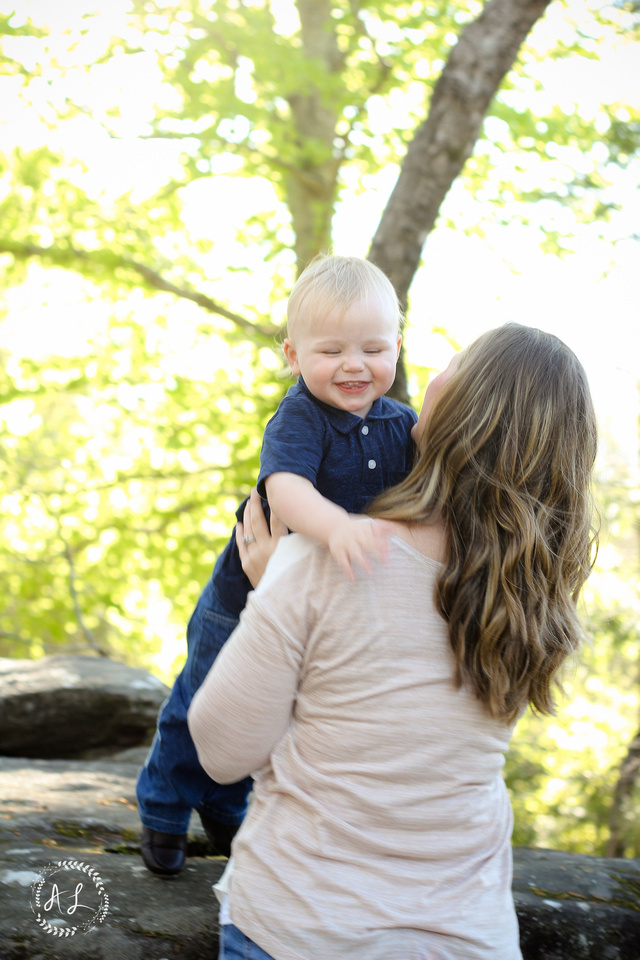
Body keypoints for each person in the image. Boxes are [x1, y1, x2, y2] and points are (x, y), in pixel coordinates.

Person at [188, 322, 598, 960]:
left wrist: (274, 591)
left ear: (465, 407)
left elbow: (220, 752)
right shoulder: (529, 600)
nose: (432, 374)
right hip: (467, 938)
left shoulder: (324, 560)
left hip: (302, 929)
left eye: (454, 361)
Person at [137, 254, 418, 876]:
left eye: (373, 348)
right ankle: (164, 806)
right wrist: (336, 524)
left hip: (319, 602)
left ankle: (224, 803)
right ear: (293, 356)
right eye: (331, 351)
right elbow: (286, 488)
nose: (353, 365)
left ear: (397, 347)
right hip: (243, 594)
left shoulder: (406, 425)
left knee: (272, 710)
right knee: (206, 693)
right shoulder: (300, 416)